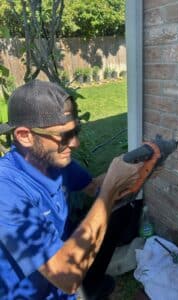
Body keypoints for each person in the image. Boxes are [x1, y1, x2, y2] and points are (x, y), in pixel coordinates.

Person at [0, 80, 143, 300]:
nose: (74, 143)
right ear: (24, 135)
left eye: (76, 131)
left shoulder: (53, 161)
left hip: (63, 288)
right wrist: (111, 188)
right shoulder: (6, 192)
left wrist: (135, 169)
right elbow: (67, 276)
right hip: (34, 293)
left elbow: (94, 187)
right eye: (64, 136)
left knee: (120, 216)